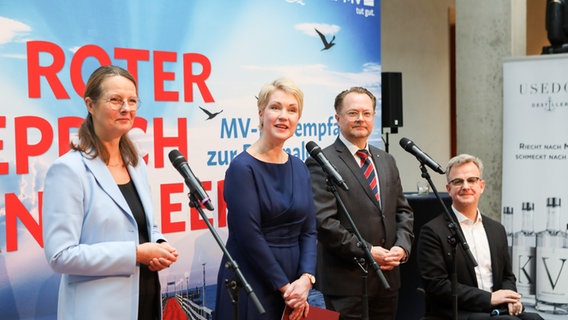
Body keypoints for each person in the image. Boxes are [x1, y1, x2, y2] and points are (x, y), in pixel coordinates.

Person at [43, 65, 179, 320]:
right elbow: (60, 255)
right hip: (96, 310)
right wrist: (136, 253)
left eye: (132, 100)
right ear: (90, 105)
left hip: (145, 300)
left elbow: (144, 228)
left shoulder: (136, 162)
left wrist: (159, 245)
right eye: (115, 100)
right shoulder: (68, 169)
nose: (126, 108)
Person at [306, 87, 414, 320]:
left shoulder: (386, 159)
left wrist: (402, 248)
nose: (360, 119)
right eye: (353, 113)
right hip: (346, 283)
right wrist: (367, 251)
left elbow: (403, 211)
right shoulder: (322, 162)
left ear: (373, 117)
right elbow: (324, 222)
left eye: (366, 113)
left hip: (388, 279)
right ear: (337, 118)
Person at [214, 78, 317, 320]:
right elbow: (249, 237)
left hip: (296, 284)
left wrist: (306, 279)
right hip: (252, 283)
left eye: (292, 110)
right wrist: (286, 288)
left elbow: (310, 231)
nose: (284, 116)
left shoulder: (301, 168)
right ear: (261, 113)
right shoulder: (241, 168)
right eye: (276, 107)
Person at [417, 154, 543, 320]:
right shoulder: (432, 231)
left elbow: (507, 276)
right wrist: (489, 299)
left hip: (496, 310)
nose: (465, 186)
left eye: (472, 180)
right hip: (459, 312)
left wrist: (511, 298)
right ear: (449, 189)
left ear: (481, 186)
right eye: (458, 181)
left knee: (534, 319)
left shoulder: (497, 229)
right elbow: (437, 285)